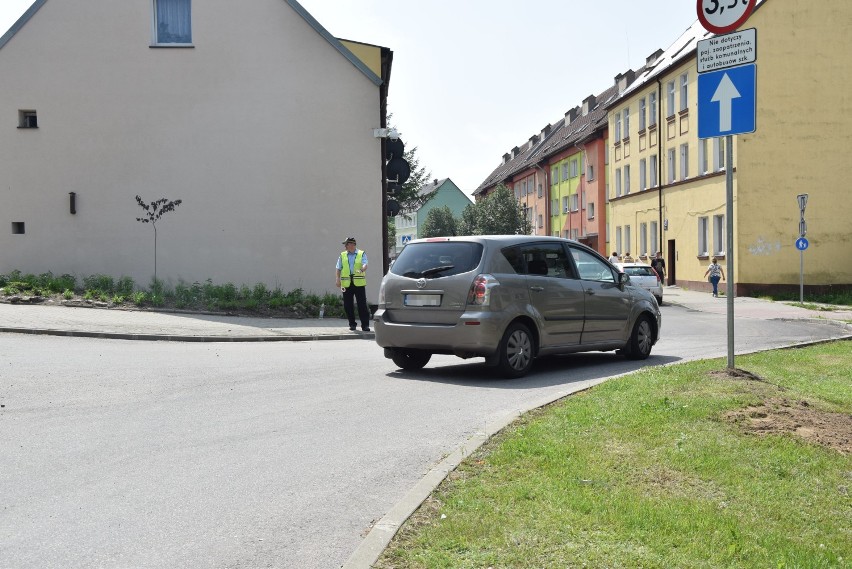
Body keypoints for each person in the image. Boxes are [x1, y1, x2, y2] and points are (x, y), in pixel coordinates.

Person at [335, 237, 371, 331]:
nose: (345, 246)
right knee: (348, 305)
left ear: (351, 245)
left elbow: (365, 264)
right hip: (346, 283)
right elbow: (338, 268)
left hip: (359, 283)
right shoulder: (342, 255)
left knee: (362, 305)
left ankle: (365, 325)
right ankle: (352, 324)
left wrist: (363, 268)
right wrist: (337, 279)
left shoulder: (361, 253)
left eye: (346, 244)